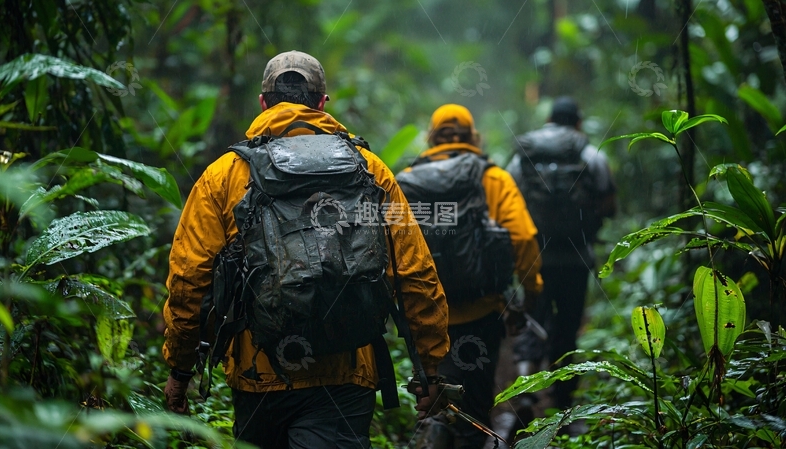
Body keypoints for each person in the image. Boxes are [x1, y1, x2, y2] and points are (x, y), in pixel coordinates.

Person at [161, 50, 450, 448]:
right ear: (321, 104)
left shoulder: (223, 175)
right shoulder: (369, 169)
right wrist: (430, 369)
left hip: (258, 374)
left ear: (263, 103)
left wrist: (180, 368)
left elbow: (189, 279)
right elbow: (414, 272)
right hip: (345, 370)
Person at [397, 104, 543, 449]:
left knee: (432, 396)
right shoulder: (492, 177)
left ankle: (434, 431)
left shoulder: (406, 179)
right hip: (481, 312)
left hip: (425, 312)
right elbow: (522, 238)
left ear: (432, 137)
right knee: (474, 406)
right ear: (472, 136)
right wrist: (530, 290)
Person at [507, 96, 617, 413]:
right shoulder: (590, 153)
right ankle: (563, 397)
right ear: (577, 122)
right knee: (567, 324)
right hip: (576, 257)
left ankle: (525, 385)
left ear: (549, 120)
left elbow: (508, 203)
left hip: (534, 258)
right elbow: (609, 203)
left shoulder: (524, 156)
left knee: (532, 318)